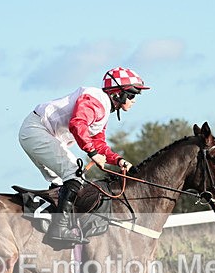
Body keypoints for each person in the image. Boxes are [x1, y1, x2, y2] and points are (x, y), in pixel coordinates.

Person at [19, 67, 150, 248]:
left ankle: (52, 225)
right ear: (118, 94)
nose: (134, 100)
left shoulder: (103, 108)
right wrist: (92, 153)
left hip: (40, 134)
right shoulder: (96, 100)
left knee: (62, 183)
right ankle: (60, 229)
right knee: (75, 174)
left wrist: (118, 160)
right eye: (132, 95)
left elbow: (99, 143)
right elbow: (77, 124)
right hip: (37, 131)